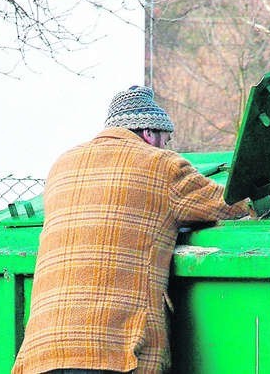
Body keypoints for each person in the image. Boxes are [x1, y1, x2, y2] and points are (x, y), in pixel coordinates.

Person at [13, 86, 249, 374]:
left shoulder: (62, 166)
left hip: (41, 353)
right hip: (116, 352)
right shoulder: (161, 165)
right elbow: (233, 204)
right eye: (166, 140)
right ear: (149, 133)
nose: (167, 147)